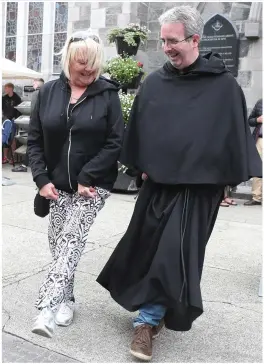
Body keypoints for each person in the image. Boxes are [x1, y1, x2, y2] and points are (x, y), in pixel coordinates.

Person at [96, 5, 262, 361]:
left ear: (195, 39)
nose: (166, 47)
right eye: (163, 40)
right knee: (145, 249)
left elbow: (232, 138)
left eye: (173, 41)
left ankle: (146, 322)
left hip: (198, 191)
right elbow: (140, 129)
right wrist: (141, 165)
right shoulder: (156, 83)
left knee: (173, 256)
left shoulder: (224, 87)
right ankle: (154, 311)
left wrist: (224, 183)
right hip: (158, 186)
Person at [27, 30, 124, 338]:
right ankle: (67, 298)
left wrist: (88, 175)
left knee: (71, 240)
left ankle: (48, 308)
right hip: (55, 185)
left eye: (94, 64)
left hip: (92, 186)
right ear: (68, 60)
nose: (89, 69)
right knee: (58, 244)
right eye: (82, 63)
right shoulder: (47, 93)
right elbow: (34, 141)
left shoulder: (107, 94)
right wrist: (41, 180)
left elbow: (115, 141)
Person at [12, 78, 45, 173]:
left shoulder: (36, 94)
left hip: (37, 124)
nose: (33, 84)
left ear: (36, 84)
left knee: (32, 143)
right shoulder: (47, 93)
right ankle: (26, 164)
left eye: (33, 83)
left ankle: (24, 165)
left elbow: (34, 110)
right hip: (45, 124)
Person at [244, 98, 262, 206]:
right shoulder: (261, 102)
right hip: (260, 139)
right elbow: (250, 121)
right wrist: (257, 120)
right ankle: (256, 197)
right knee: (258, 168)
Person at [2, 83, 21, 164]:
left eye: (6, 88)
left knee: (13, 138)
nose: (5, 90)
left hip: (13, 120)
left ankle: (13, 158)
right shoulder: (3, 98)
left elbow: (19, 110)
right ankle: (5, 157)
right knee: (5, 138)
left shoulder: (17, 98)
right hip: (5, 120)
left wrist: (16, 119)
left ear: (11, 88)